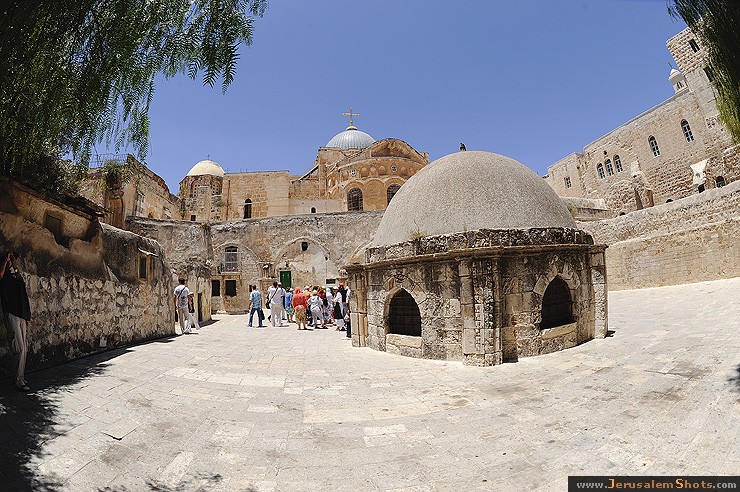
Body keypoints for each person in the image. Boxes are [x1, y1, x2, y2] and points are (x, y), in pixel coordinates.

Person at [0, 251, 31, 391]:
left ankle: (19, 377)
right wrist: (6, 261)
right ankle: (19, 380)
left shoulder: (16, 276)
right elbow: (0, 275)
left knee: (23, 349)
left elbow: (19, 276)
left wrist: (14, 264)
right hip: (12, 315)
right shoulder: (4, 278)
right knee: (19, 348)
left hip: (21, 315)